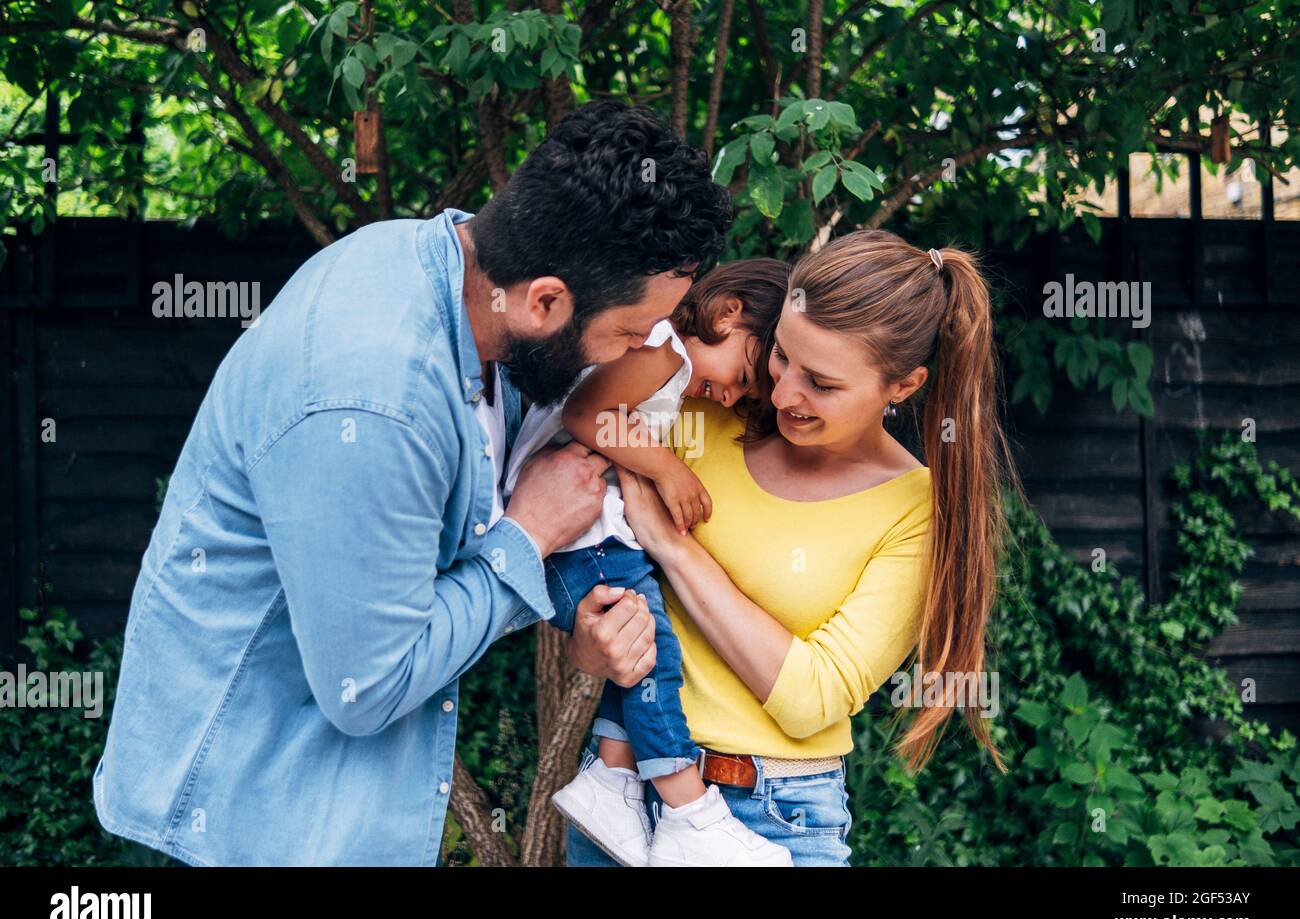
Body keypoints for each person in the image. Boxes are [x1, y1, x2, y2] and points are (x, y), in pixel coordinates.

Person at [92, 101, 730, 866]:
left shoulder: (455, 271)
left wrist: (568, 615)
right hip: (252, 824)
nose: (635, 355)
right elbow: (370, 685)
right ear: (547, 302)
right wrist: (529, 539)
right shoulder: (374, 396)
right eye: (629, 335)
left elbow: (425, 576)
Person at [568, 230, 1017, 866]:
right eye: (779, 357)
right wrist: (590, 643)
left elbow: (813, 698)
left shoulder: (915, 512)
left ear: (904, 385)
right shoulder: (705, 408)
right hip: (623, 788)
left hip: (772, 816)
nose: (780, 396)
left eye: (821, 384)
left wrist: (673, 547)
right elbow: (597, 552)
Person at [506, 260, 793, 866]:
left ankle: (612, 781)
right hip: (578, 537)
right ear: (725, 312)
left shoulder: (672, 364)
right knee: (652, 654)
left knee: (635, 650)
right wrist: (667, 467)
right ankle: (689, 812)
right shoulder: (663, 349)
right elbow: (586, 414)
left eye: (744, 394)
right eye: (742, 373)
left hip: (582, 542)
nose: (732, 395)